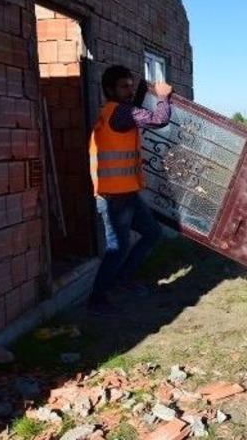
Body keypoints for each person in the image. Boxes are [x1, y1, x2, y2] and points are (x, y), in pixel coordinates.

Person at [87, 65, 173, 315]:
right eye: (123, 87)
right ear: (109, 89)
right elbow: (159, 119)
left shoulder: (115, 111)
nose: (129, 91)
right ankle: (97, 298)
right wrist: (163, 96)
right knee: (117, 249)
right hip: (114, 199)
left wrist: (142, 93)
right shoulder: (120, 113)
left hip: (126, 195)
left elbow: (133, 112)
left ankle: (122, 280)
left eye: (131, 86)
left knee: (152, 233)